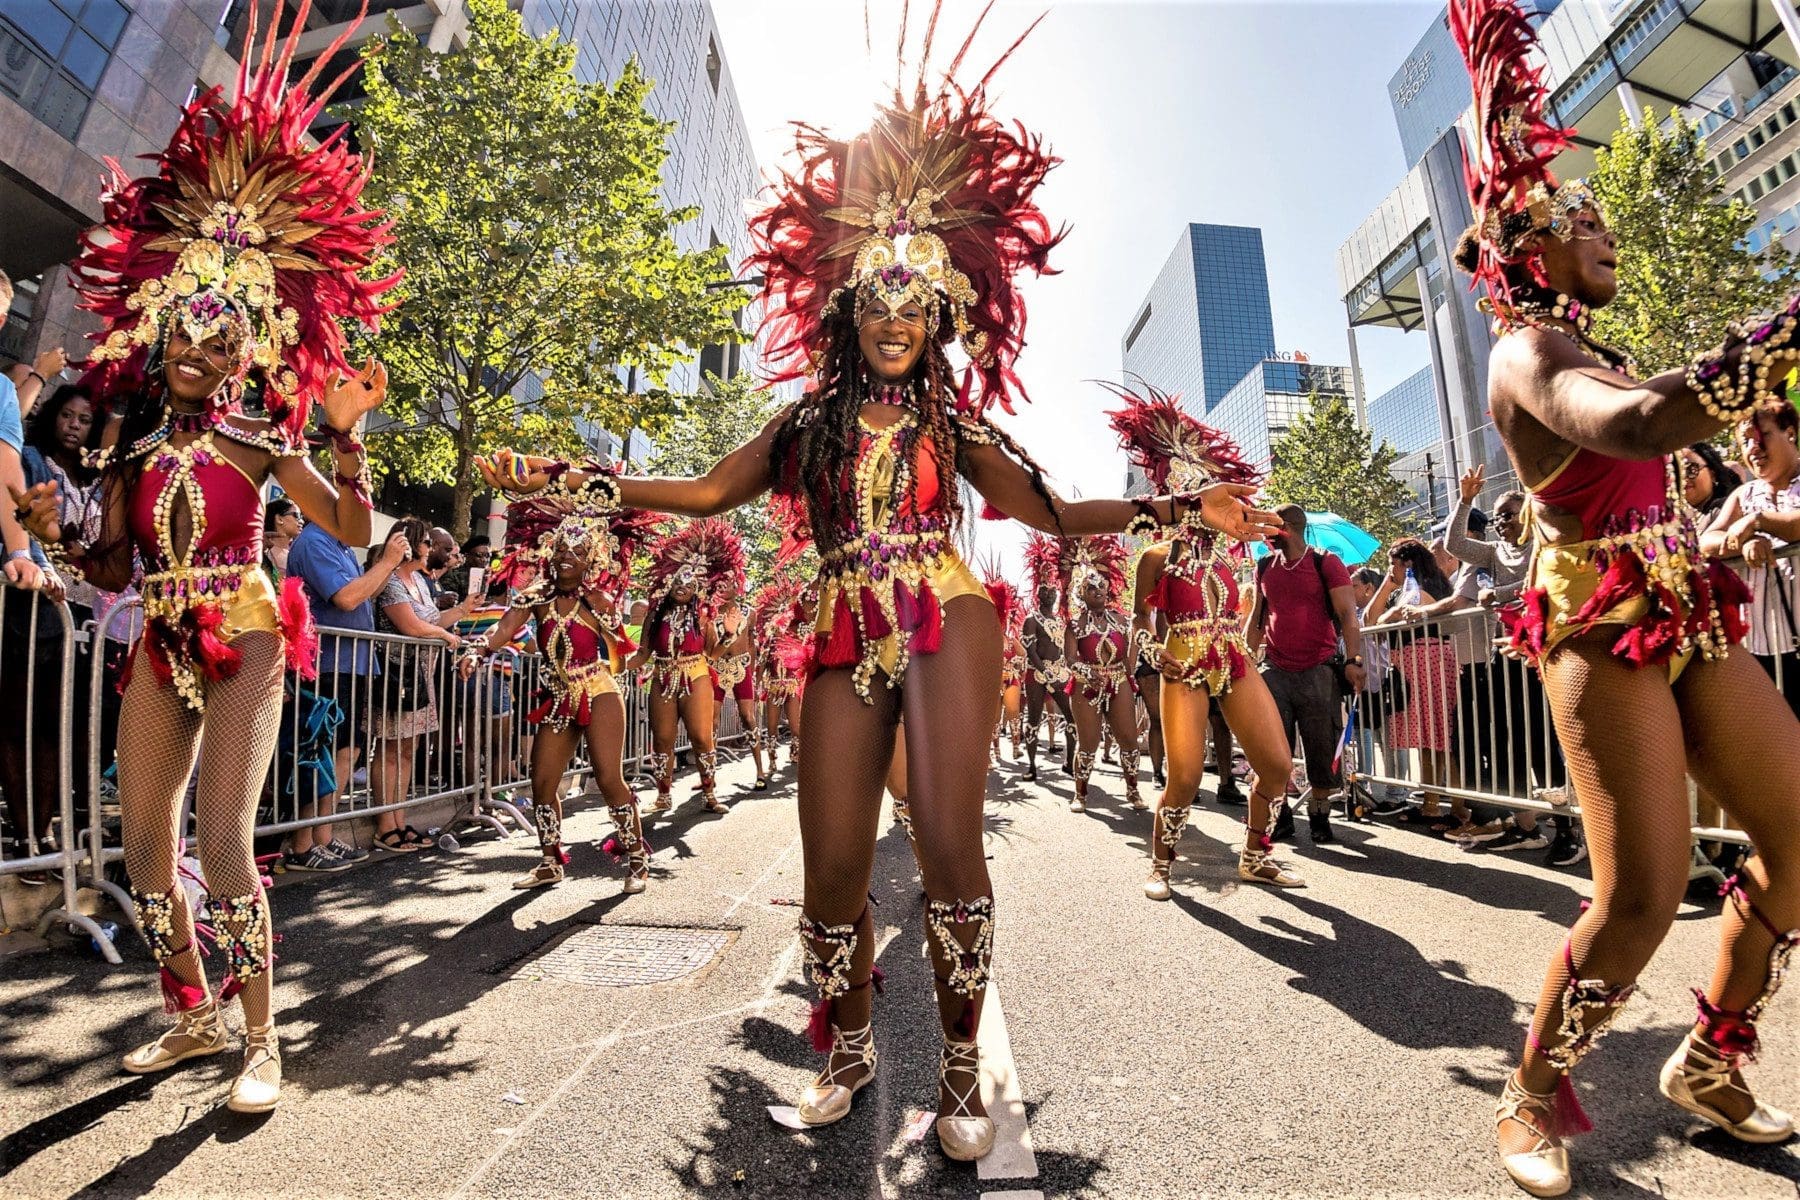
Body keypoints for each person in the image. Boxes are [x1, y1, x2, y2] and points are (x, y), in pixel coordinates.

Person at [475, 13, 1276, 1159]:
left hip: (947, 612)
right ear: (846, 310)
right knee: (834, 861)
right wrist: (576, 480)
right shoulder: (805, 423)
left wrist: (1174, 511)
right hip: (845, 623)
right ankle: (848, 1045)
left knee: (951, 843)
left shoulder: (956, 422)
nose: (897, 316)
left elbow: (1048, 513)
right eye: (877, 299)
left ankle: (957, 1069)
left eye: (917, 302)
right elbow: (705, 493)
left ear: (942, 315)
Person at [7, 8, 393, 1114]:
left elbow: (355, 534)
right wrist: (55, 523)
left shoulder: (257, 443)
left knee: (223, 837)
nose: (196, 346)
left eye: (221, 334)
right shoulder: (129, 448)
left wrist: (349, 438)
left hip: (250, 636)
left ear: (247, 349)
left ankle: (262, 1036)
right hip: (159, 644)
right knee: (141, 843)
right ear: (159, 330)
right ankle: (192, 1012)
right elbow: (112, 565)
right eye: (183, 327)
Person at [1450, 3, 1800, 1193]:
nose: (1603, 232)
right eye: (1580, 219)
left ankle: (1710, 1059)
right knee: (1645, 891)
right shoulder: (1522, 355)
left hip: (1686, 605)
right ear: (1528, 245)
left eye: (1601, 217)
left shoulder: (1588, 340)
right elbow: (1643, 424)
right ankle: (1530, 1090)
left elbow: (1662, 422)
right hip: (1598, 624)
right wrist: (1777, 341)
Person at [1109, 382, 1305, 897]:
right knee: (1186, 779)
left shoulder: (1228, 556)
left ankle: (1257, 855)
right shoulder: (1155, 557)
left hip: (1232, 660)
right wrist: (1157, 656)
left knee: (1278, 766)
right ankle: (1161, 865)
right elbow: (1139, 625)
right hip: (1184, 664)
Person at [462, 479, 658, 892]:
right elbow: (503, 630)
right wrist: (479, 650)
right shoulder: (534, 596)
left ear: (592, 559)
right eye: (563, 550)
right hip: (557, 696)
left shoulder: (600, 600)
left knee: (608, 777)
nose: (568, 557)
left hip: (599, 691)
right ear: (551, 553)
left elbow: (622, 649)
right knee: (543, 782)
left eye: (579, 552)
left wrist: (632, 636)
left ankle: (636, 858)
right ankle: (551, 862)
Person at [285, 521, 409, 871]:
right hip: (326, 663)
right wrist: (386, 562)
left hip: (351, 662)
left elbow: (364, 594)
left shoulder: (338, 543)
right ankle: (302, 843)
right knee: (319, 752)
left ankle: (323, 835)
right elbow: (346, 597)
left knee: (346, 750)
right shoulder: (313, 541)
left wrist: (390, 564)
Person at [1245, 505, 1368, 844]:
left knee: (1320, 747)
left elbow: (1347, 616)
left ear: (1286, 528)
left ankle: (1319, 817)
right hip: (1275, 670)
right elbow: (1258, 617)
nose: (1266, 534)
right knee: (1273, 750)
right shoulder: (1264, 566)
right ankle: (1280, 817)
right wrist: (1242, 660)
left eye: (1270, 527)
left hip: (1318, 669)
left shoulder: (1325, 562)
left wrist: (1353, 659)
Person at [625, 519, 743, 815]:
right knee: (662, 738)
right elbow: (643, 653)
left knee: (701, 737)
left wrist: (730, 633)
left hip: (696, 675)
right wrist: (614, 664)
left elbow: (712, 653)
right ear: (668, 581)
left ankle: (710, 794)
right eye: (679, 581)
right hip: (663, 676)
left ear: (698, 590)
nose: (684, 586)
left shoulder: (703, 618)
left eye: (691, 584)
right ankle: (663, 796)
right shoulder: (654, 614)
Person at [369, 517, 462, 850]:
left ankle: (399, 818)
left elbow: (433, 620)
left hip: (421, 676)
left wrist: (464, 610)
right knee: (391, 749)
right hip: (397, 674)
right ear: (408, 543)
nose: (429, 549)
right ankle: (385, 825)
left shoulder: (422, 583)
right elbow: (411, 626)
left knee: (409, 749)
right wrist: (443, 635)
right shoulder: (391, 579)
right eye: (425, 542)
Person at [1702, 404, 1800, 715]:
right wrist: (1746, 541)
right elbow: (1706, 541)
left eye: (1761, 437)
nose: (1752, 449)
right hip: (1763, 649)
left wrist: (1758, 521)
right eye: (1745, 441)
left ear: (1791, 433)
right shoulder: (1744, 495)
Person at [1058, 536, 1142, 813]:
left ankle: (1133, 790)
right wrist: (1084, 671)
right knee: (1089, 743)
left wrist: (1130, 671)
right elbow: (1069, 658)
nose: (1099, 592)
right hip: (1086, 686)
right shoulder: (1075, 624)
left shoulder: (1121, 620)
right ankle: (1080, 794)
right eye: (1092, 588)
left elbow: (1130, 649)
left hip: (1118, 682)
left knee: (1129, 739)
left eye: (1102, 588)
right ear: (1081, 593)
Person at [1020, 535, 1076, 782]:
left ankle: (1069, 763)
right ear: (1039, 595)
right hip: (1036, 673)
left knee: (1072, 718)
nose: (1050, 596)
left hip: (1059, 671)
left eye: (1053, 593)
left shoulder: (1059, 620)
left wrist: (1063, 671)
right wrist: (1046, 673)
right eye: (1046, 593)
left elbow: (1063, 649)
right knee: (1033, 719)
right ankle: (1032, 766)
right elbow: (1031, 651)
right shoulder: (1031, 620)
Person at [713, 580, 768, 788]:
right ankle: (710, 776)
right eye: (720, 583)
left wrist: (752, 672)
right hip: (716, 666)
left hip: (741, 668)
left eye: (728, 583)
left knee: (748, 718)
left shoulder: (749, 613)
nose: (722, 586)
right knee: (713, 722)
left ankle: (760, 772)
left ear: (738, 587)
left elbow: (752, 644)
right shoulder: (710, 612)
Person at [260, 495, 302, 583]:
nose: (301, 521)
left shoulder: (300, 552)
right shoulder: (263, 554)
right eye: (296, 515)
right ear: (279, 519)